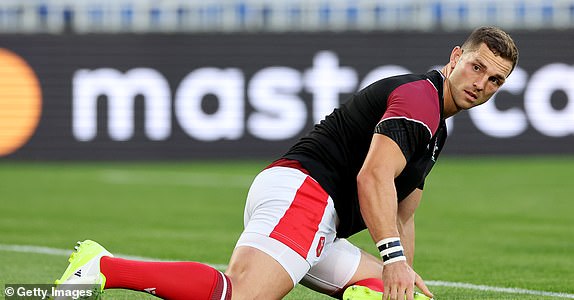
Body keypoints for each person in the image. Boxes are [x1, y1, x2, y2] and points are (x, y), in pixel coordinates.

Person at [55, 26, 518, 300]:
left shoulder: (437, 127)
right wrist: (393, 258)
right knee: (242, 293)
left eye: (495, 79)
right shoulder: (420, 98)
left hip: (317, 216)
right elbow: (373, 175)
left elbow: (403, 212)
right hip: (305, 194)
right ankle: (104, 266)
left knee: (389, 292)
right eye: (477, 67)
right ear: (456, 57)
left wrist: (400, 272)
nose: (482, 83)